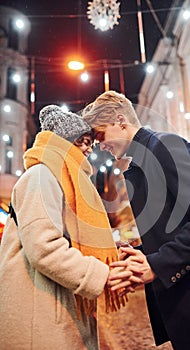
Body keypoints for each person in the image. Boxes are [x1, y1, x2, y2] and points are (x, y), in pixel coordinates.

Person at [82, 90, 190, 350]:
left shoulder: (165, 146)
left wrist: (156, 263)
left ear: (120, 120)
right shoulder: (141, 163)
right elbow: (176, 228)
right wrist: (138, 256)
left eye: (100, 135)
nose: (99, 146)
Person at [0, 105, 129, 350]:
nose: (90, 150)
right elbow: (44, 248)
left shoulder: (62, 179)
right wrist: (102, 274)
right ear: (67, 143)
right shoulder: (41, 176)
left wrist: (106, 249)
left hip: (56, 307)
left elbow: (67, 238)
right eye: (85, 142)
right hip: (41, 315)